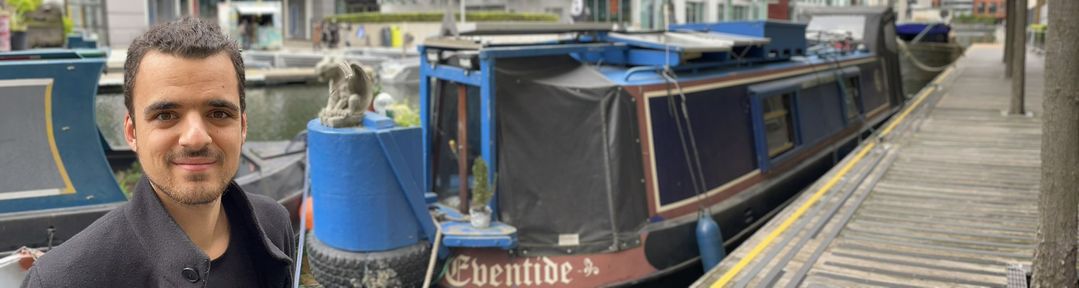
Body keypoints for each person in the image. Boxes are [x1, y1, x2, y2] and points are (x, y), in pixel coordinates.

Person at [21, 17, 295, 287]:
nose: (196, 138)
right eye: (166, 115)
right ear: (132, 132)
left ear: (243, 126)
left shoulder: (273, 224)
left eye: (219, 113)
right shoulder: (63, 279)